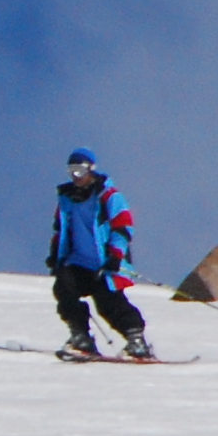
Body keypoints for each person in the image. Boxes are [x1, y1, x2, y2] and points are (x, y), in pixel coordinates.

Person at [47, 146, 155, 360]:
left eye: (80, 170)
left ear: (91, 169)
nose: (76, 175)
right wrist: (55, 255)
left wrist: (115, 255)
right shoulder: (66, 199)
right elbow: (62, 229)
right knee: (64, 289)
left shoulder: (108, 195)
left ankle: (136, 340)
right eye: (71, 170)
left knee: (109, 303)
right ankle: (81, 338)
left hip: (104, 264)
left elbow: (123, 226)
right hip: (78, 262)